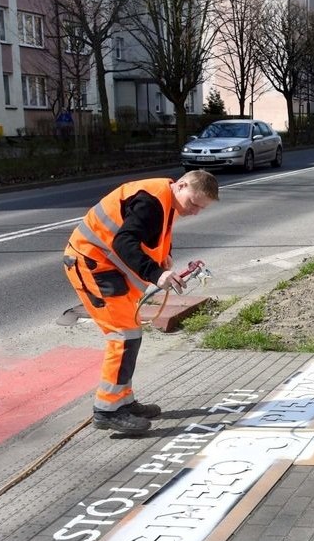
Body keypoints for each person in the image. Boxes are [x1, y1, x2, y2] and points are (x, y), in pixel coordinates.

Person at [63, 170, 219, 434]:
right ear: (180, 185)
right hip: (92, 264)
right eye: (193, 203)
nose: (194, 212)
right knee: (123, 336)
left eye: (200, 209)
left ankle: (123, 401)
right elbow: (124, 242)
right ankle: (107, 410)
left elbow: (150, 235)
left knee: (129, 335)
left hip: (104, 266)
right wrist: (156, 274)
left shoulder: (165, 198)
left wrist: (164, 257)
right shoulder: (151, 201)